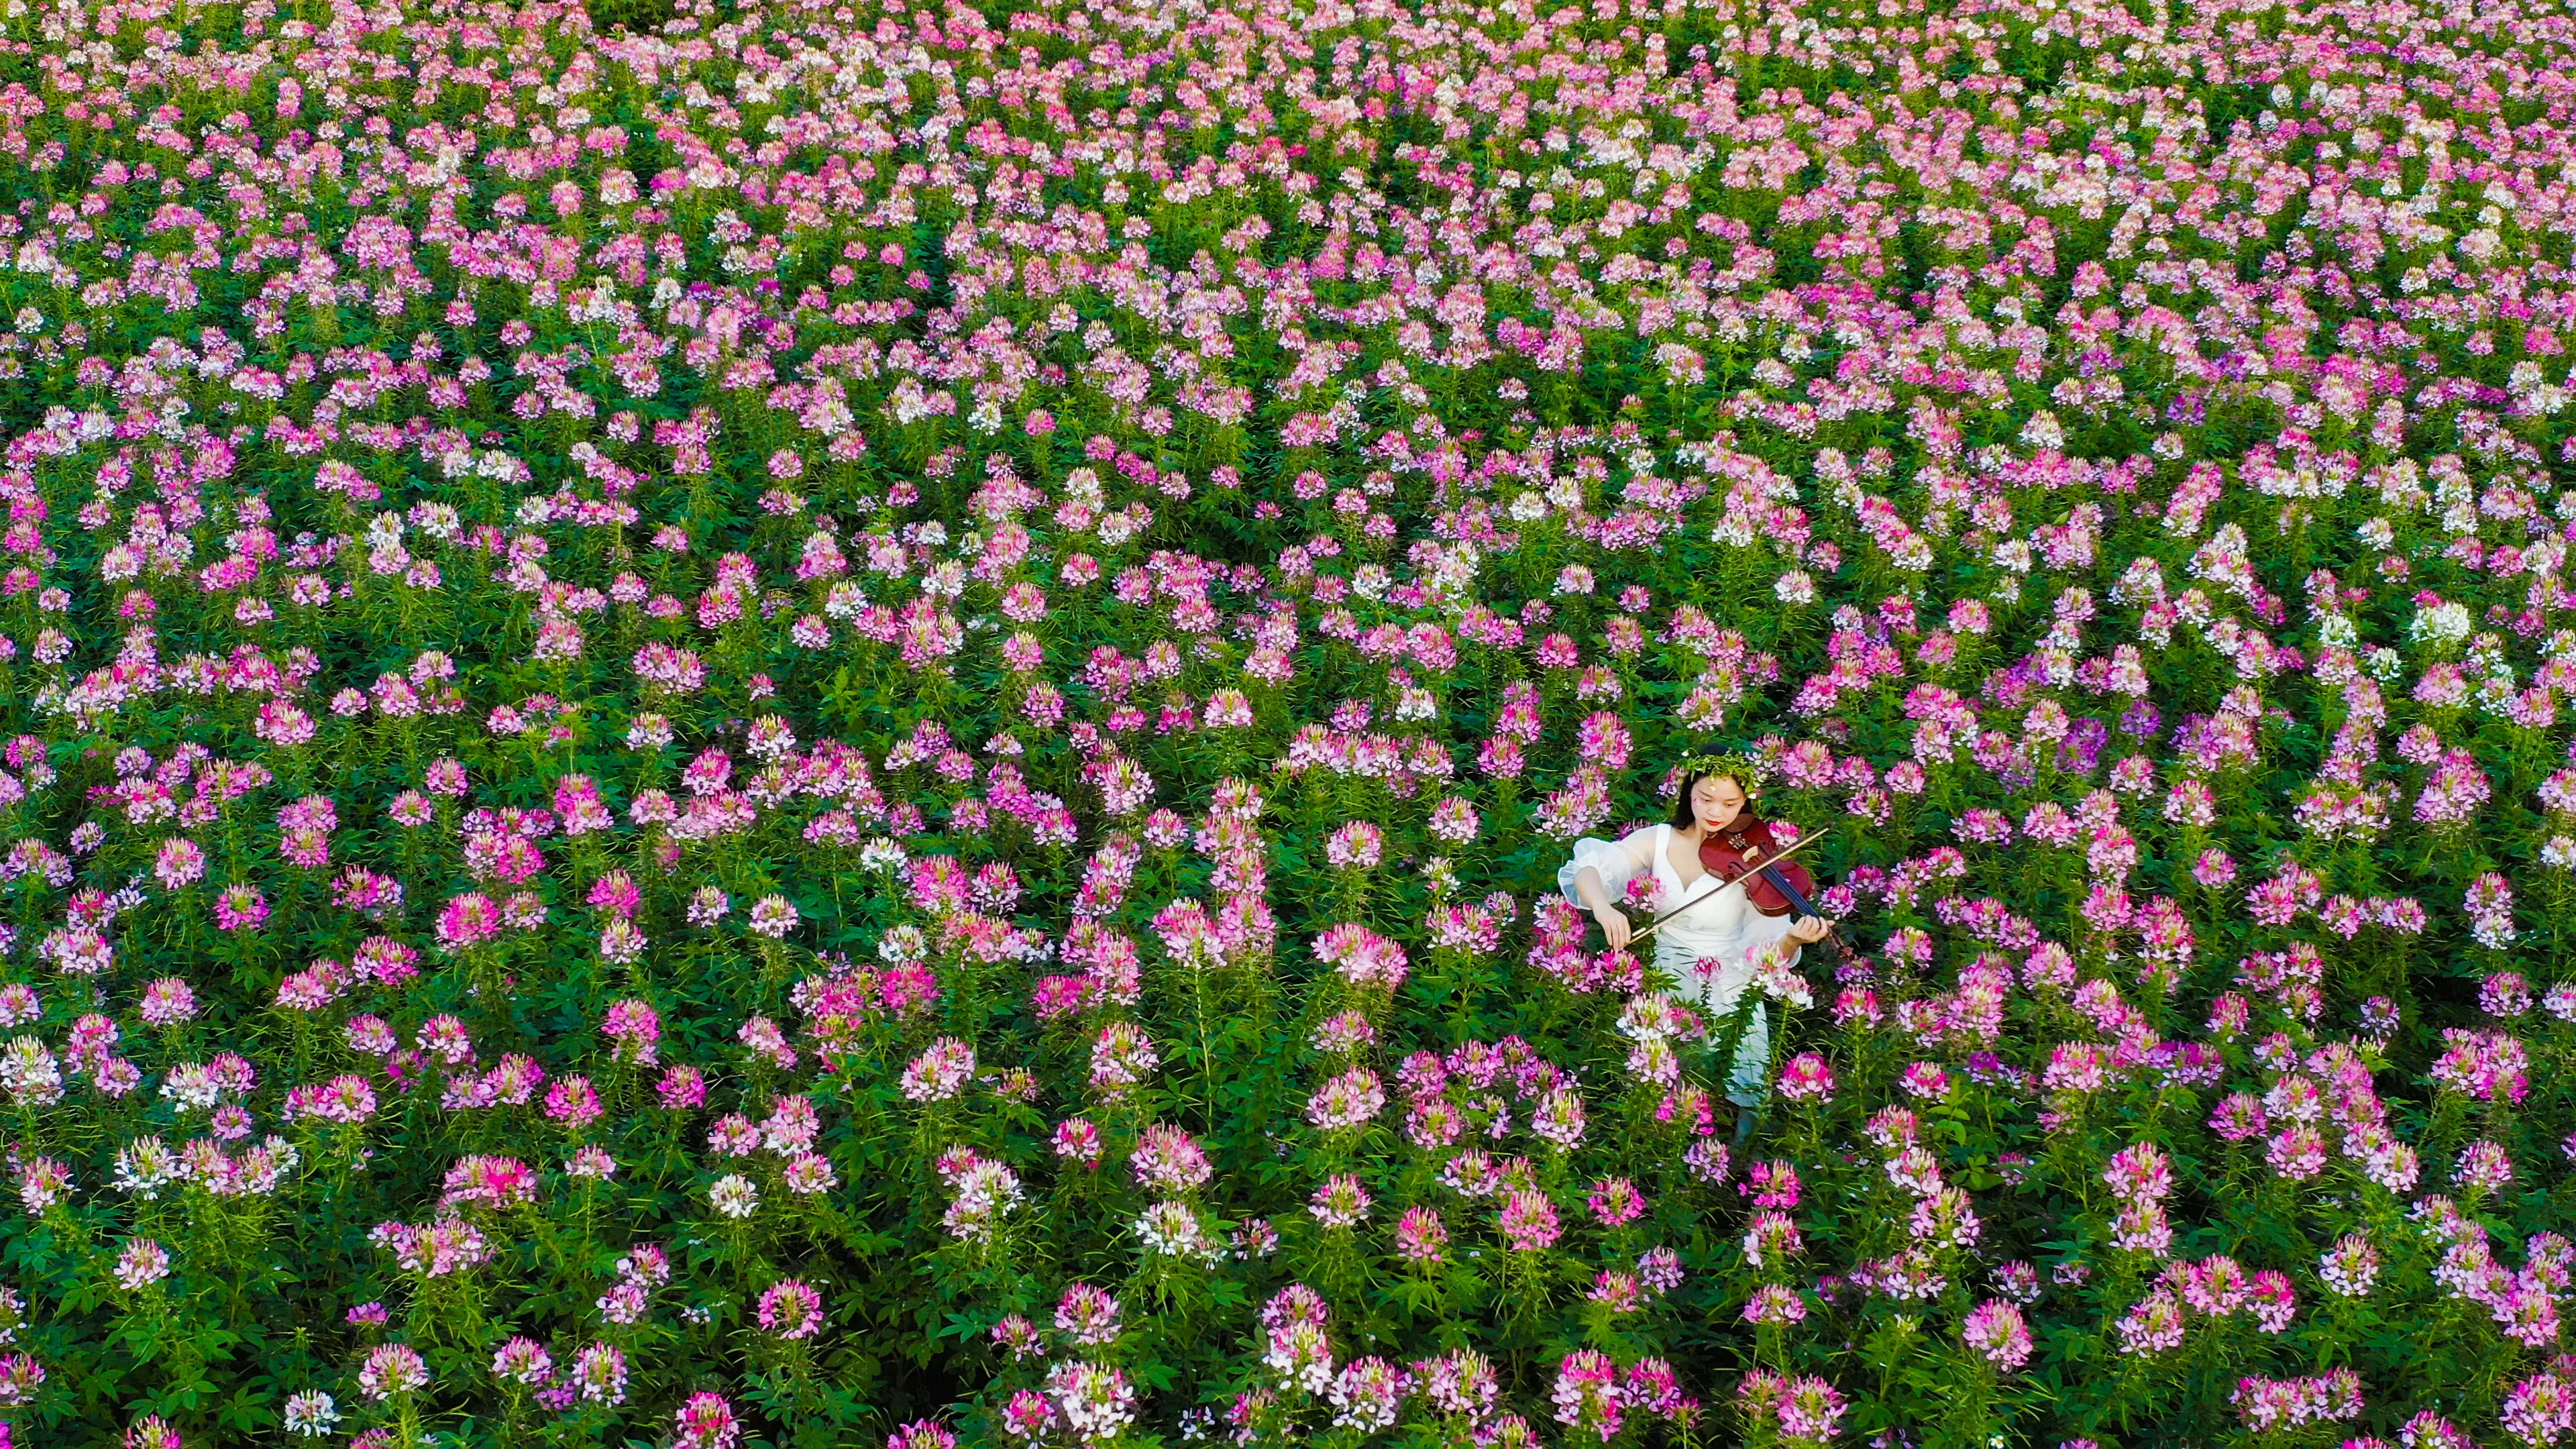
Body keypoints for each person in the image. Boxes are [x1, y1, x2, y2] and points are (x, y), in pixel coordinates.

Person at [1558, 751, 1829, 1143]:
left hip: (1731, 971)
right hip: (1666, 965)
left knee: (1747, 1083)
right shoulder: (1659, 839)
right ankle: (1665, 1146)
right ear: (1689, 795)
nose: (1716, 811)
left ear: (1745, 803)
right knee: (1660, 1072)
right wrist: (1603, 907)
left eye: (1730, 803)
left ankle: (1738, 1158)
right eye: (1705, 798)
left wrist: (1791, 939)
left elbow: (1765, 954)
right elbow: (1590, 867)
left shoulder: (1753, 861)